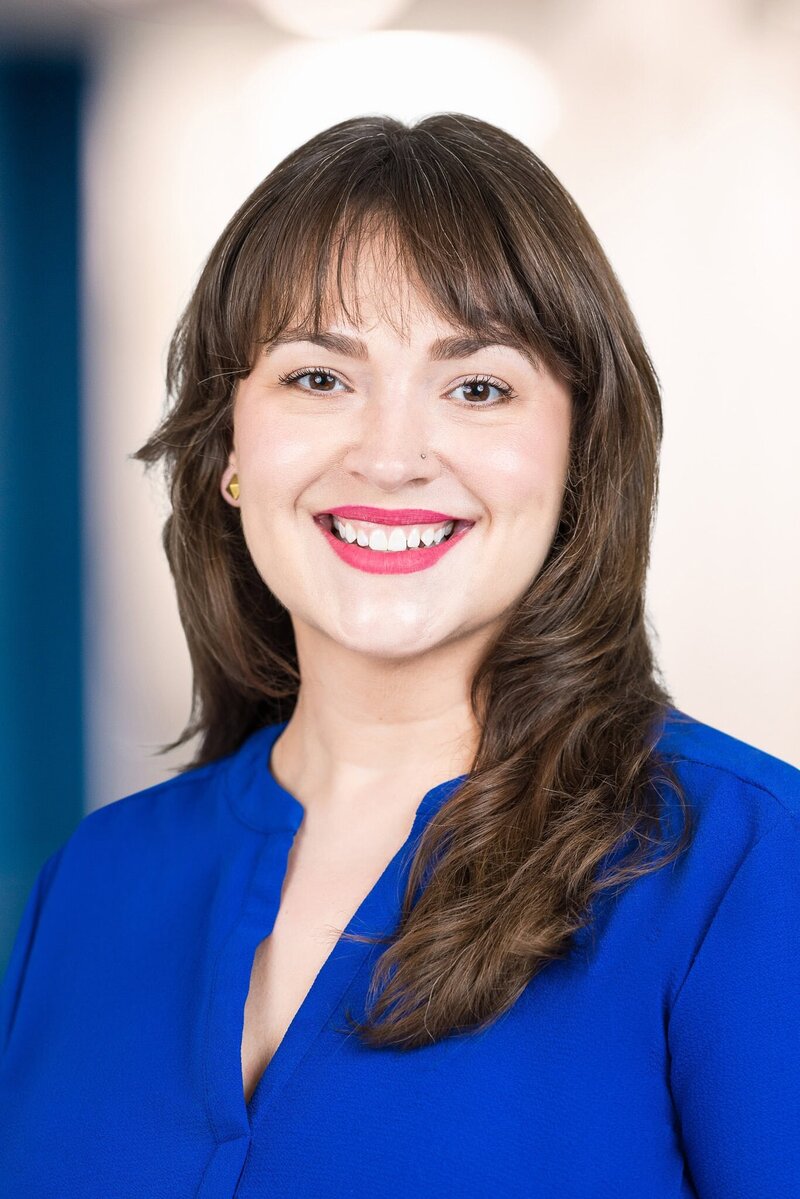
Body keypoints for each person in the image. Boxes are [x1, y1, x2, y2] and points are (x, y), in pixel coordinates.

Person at [0, 112, 798, 1198]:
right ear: (229, 444)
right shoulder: (94, 883)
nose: (388, 456)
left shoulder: (738, 870)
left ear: (577, 454)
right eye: (317, 377)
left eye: (477, 387)